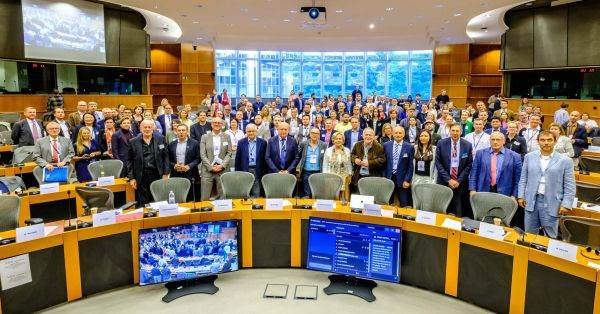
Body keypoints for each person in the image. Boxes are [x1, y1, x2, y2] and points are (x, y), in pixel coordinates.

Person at [518, 131, 575, 238]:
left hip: (553, 202)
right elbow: (523, 178)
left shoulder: (565, 161)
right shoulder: (529, 157)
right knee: (529, 234)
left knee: (550, 236)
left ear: (555, 141)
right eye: (542, 140)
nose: (546, 143)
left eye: (549, 140)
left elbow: (570, 185)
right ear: (538, 142)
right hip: (531, 201)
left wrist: (566, 203)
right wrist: (521, 196)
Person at [127, 120, 170, 205]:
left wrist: (166, 173)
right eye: (145, 127)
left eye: (149, 127)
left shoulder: (161, 139)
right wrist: (131, 178)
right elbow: (129, 161)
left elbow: (165, 157)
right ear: (140, 128)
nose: (147, 129)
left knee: (157, 198)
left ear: (153, 128)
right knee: (143, 201)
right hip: (141, 175)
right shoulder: (133, 142)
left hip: (157, 174)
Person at [469, 132, 522, 199]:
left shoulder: (515, 156)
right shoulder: (480, 153)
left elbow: (517, 179)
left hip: (505, 193)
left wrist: (514, 195)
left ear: (504, 141)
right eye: (493, 139)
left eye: (498, 140)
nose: (495, 142)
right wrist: (472, 189)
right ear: (490, 141)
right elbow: (474, 173)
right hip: (483, 191)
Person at [435, 124, 473, 217]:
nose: (455, 133)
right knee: (443, 209)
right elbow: (438, 163)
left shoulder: (467, 145)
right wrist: (448, 179)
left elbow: (469, 165)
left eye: (457, 131)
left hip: (460, 183)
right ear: (450, 131)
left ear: (461, 132)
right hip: (444, 181)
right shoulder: (441, 143)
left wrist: (458, 180)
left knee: (458, 211)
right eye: (453, 130)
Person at [199, 117, 232, 200]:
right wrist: (211, 167)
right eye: (215, 123)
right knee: (205, 196)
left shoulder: (227, 137)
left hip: (222, 169)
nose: (217, 124)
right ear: (211, 124)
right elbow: (202, 154)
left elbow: (229, 153)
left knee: (223, 197)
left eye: (219, 123)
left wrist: (221, 166)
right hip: (207, 170)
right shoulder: (205, 137)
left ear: (222, 125)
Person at [383, 127, 414, 207]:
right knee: (388, 202)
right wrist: (384, 177)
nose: (398, 135)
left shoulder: (409, 147)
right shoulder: (386, 145)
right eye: (396, 133)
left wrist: (407, 180)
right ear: (393, 134)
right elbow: (384, 163)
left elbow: (410, 165)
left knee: (404, 204)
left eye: (400, 133)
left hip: (403, 179)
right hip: (389, 178)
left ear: (403, 134)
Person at [168, 124, 200, 199]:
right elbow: (168, 159)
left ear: (187, 132)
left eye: (183, 130)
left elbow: (198, 158)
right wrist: (174, 165)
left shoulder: (194, 143)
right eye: (179, 130)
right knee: (178, 196)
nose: (181, 132)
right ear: (176, 132)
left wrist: (189, 166)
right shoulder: (171, 144)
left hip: (191, 174)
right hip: (176, 174)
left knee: (191, 197)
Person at [235, 124, 267, 198]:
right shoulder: (241, 142)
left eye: (253, 131)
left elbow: (265, 159)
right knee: (245, 192)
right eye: (249, 131)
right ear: (246, 132)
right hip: (245, 170)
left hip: (257, 170)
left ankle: (255, 207)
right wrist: (237, 173)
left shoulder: (263, 142)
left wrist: (264, 172)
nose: (251, 133)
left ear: (256, 132)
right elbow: (238, 159)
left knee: (256, 192)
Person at [295, 127, 327, 198]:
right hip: (306, 172)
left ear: (319, 135)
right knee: (307, 194)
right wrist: (296, 168)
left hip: (318, 172)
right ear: (310, 134)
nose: (315, 135)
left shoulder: (323, 145)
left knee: (316, 192)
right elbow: (298, 157)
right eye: (313, 133)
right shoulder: (303, 144)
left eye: (317, 133)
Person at [323, 132, 353, 201]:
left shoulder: (347, 150)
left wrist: (350, 174)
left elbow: (349, 164)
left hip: (344, 177)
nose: (338, 140)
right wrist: (325, 176)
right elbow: (325, 164)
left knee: (343, 198)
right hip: (331, 177)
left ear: (343, 140)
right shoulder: (328, 150)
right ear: (333, 140)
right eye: (336, 139)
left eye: (340, 139)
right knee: (332, 196)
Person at [411, 130, 437, 202]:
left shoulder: (435, 149)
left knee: (427, 201)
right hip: (416, 178)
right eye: (421, 136)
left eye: (426, 136)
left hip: (429, 179)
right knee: (416, 200)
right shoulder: (415, 148)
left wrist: (434, 180)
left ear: (429, 138)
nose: (423, 138)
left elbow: (436, 167)